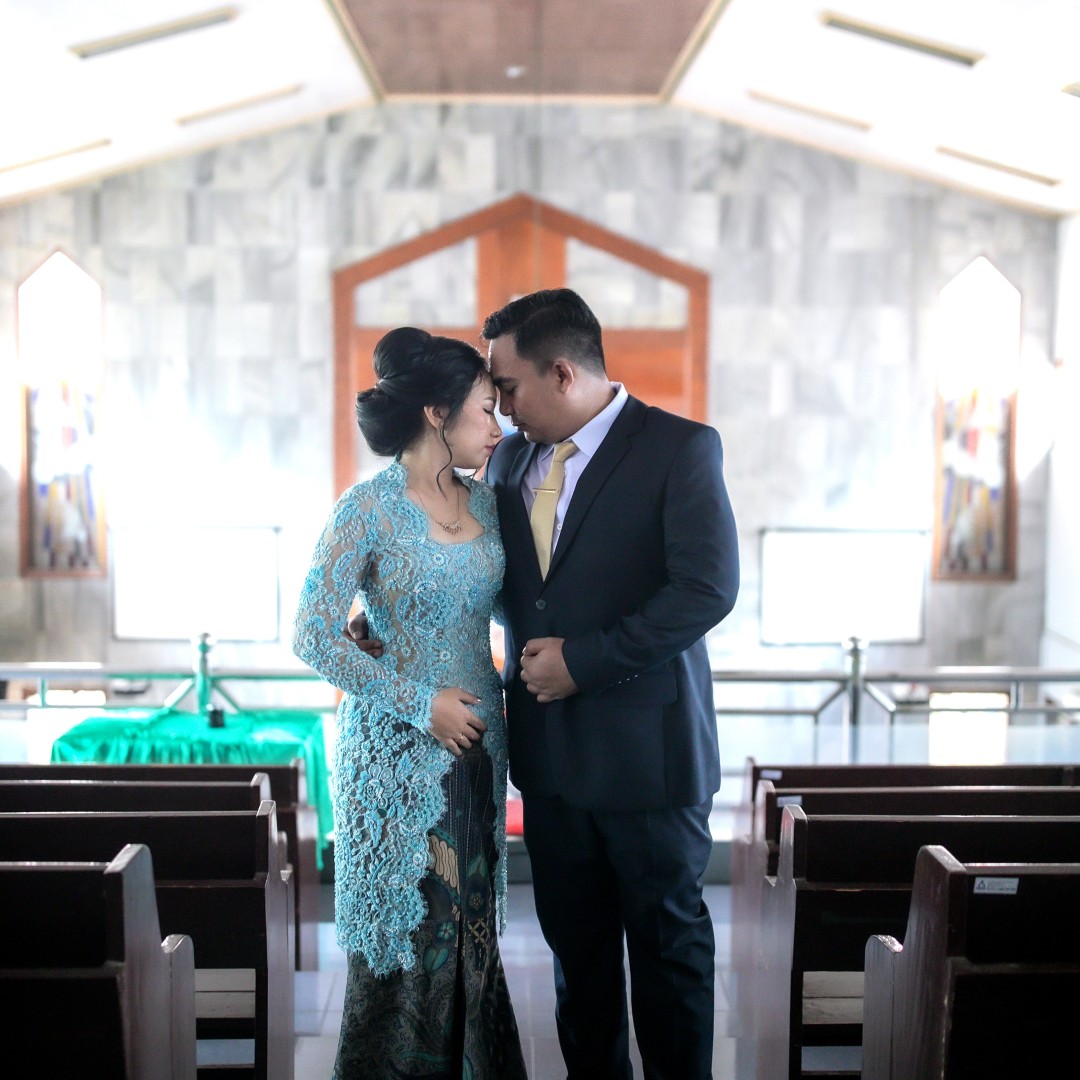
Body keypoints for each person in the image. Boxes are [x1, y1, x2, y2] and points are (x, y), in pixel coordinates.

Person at [482, 288, 739, 1079]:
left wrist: (584, 662)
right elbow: (497, 581)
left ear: (562, 373)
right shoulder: (511, 461)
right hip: (551, 762)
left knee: (669, 957)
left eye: (508, 388)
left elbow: (706, 590)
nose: (500, 409)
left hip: (649, 762)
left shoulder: (679, 448)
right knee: (578, 963)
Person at [292, 326, 527, 1080]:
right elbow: (312, 634)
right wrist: (420, 704)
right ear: (436, 413)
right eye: (485, 410)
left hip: (477, 752)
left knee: (470, 933)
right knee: (411, 938)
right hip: (393, 759)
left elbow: (509, 609)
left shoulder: (491, 505)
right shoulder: (364, 509)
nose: (497, 427)